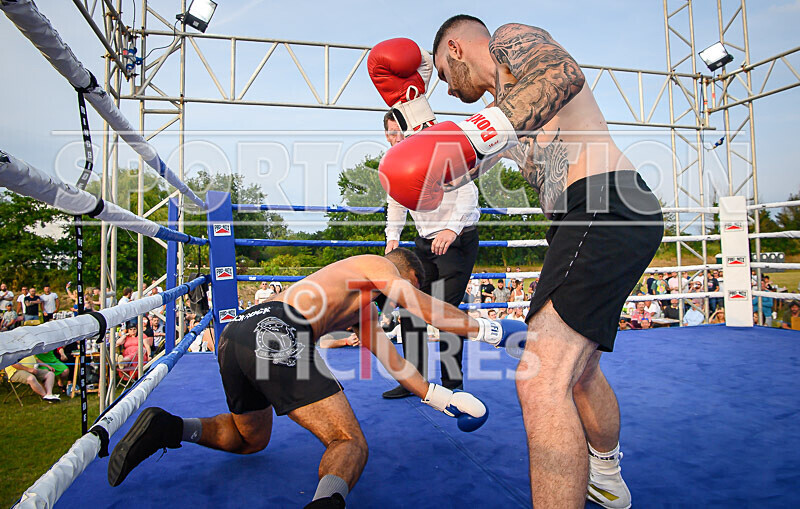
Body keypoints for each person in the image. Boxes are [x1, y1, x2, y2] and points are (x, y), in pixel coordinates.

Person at [371, 17, 664, 507]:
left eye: (442, 70)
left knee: (540, 373)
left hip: (603, 202)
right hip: (588, 218)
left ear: (457, 48)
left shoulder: (510, 41)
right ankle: (607, 476)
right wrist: (412, 110)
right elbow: (445, 169)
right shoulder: (498, 115)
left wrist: (478, 131)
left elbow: (561, 75)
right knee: (579, 370)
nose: (443, 83)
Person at [107, 249, 524, 507]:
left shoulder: (359, 305)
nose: (399, 301)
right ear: (405, 275)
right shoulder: (377, 266)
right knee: (349, 442)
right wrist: (491, 331)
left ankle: (170, 426)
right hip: (276, 330)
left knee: (252, 439)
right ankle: (325, 505)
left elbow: (394, 363)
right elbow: (427, 309)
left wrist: (439, 398)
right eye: (407, 287)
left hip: (238, 333)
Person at [382, 111, 480, 398]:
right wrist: (392, 237)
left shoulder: (439, 152)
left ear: (412, 130)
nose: (396, 137)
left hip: (456, 239)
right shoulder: (394, 164)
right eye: (390, 132)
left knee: (445, 312)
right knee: (409, 307)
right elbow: (397, 203)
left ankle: (453, 386)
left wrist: (451, 229)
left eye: (400, 130)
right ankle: (415, 381)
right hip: (424, 242)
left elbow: (468, 193)